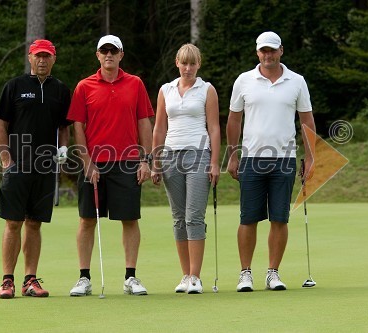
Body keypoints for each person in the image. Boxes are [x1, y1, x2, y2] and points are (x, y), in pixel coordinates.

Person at [226, 31, 316, 292]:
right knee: (248, 218)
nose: (268, 55)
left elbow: (306, 120)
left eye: (272, 50)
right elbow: (234, 119)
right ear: (257, 53)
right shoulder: (244, 81)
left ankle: (273, 273)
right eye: (264, 50)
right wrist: (232, 155)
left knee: (280, 218)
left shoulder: (297, 81)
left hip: (285, 158)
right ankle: (245, 274)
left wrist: (311, 158)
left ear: (281, 51)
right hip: (252, 158)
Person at [67, 35, 154, 296]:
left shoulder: (135, 84)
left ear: (120, 55)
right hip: (95, 164)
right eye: (104, 51)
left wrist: (146, 160)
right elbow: (78, 127)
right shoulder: (84, 86)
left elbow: (144, 122)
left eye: (113, 51)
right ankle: (84, 277)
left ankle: (131, 277)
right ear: (97, 55)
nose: (108, 55)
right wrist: (87, 162)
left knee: (130, 219)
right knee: (87, 220)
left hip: (127, 162)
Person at [0, 39, 71, 299]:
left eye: (47, 56)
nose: (42, 60)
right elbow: (0, 123)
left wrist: (63, 149)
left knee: (35, 223)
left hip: (45, 166)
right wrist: (6, 159)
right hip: (17, 165)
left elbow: (63, 126)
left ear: (53, 60)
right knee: (13, 222)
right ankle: (7, 281)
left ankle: (30, 280)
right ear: (30, 57)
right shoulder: (14, 86)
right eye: (38, 56)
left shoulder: (59, 90)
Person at [151, 44, 220, 294]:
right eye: (184, 63)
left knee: (194, 216)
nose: (188, 68)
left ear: (198, 64)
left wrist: (214, 162)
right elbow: (159, 128)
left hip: (199, 155)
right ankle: (185, 275)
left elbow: (214, 128)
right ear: (177, 63)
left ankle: (196, 277)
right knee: (179, 218)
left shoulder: (207, 90)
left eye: (193, 64)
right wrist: (155, 162)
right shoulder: (165, 90)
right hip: (170, 156)